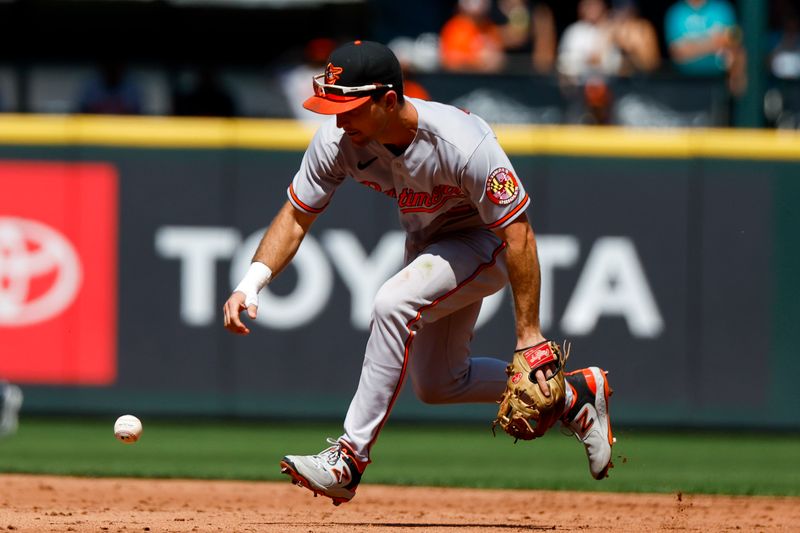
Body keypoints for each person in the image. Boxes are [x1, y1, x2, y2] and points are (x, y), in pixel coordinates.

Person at [223, 40, 615, 505]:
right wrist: (251, 283)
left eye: (347, 107)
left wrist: (529, 336)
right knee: (439, 383)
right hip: (430, 244)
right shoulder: (339, 140)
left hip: (485, 241)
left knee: (393, 302)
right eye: (331, 105)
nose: (337, 119)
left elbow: (520, 236)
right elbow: (295, 215)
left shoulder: (462, 142)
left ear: (388, 100)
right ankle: (575, 398)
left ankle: (348, 459)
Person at [664, 0, 746, 95]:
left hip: (719, 84)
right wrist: (713, 43)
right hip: (683, 85)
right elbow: (678, 53)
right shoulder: (676, 13)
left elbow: (735, 45)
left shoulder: (722, 9)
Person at [439, 0, 506, 72]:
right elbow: (449, 61)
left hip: (488, 80)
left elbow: (500, 57)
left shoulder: (490, 27)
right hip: (462, 80)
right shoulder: (455, 28)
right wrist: (476, 61)